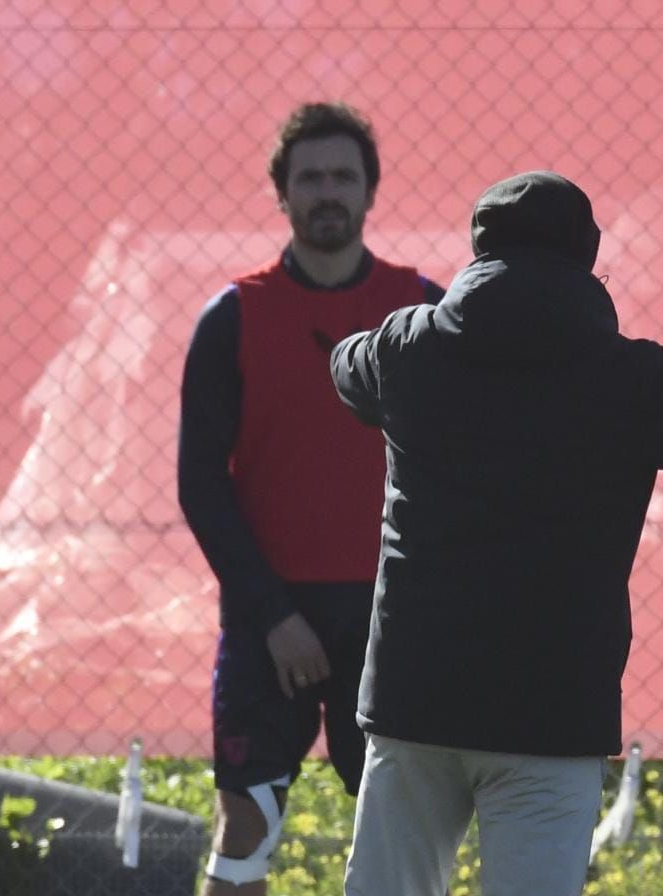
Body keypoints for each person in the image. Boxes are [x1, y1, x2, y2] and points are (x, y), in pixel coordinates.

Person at [329, 170, 663, 896]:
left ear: (479, 251)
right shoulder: (627, 380)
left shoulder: (410, 349)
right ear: (587, 256)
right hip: (551, 711)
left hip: (414, 698)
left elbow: (346, 365)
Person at [177, 101, 444, 896]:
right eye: (311, 178)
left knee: (405, 839)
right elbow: (200, 486)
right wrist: (272, 614)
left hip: (392, 620)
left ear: (370, 192)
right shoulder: (233, 318)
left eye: (343, 177)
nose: (328, 192)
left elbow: (461, 466)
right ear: (281, 194)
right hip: (272, 620)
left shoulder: (423, 310)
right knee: (245, 830)